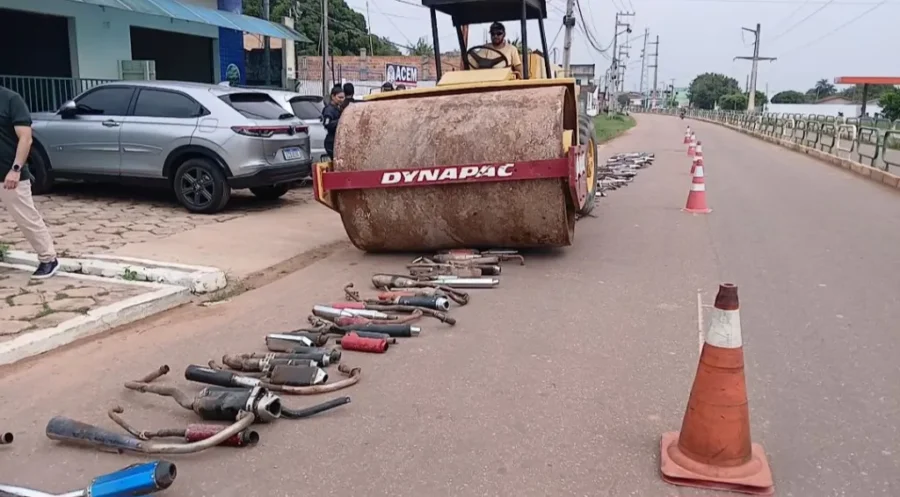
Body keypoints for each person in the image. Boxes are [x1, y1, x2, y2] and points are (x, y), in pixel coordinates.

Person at [0, 86, 59, 279]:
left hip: (9, 174)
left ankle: (48, 259)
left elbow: (25, 138)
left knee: (26, 217)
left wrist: (16, 169)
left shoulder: (11, 100)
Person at [321, 85, 345, 158]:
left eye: (343, 97)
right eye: (339, 97)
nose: (341, 100)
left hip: (338, 140)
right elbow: (327, 124)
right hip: (331, 142)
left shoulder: (338, 108)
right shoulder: (329, 110)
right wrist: (340, 121)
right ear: (333, 96)